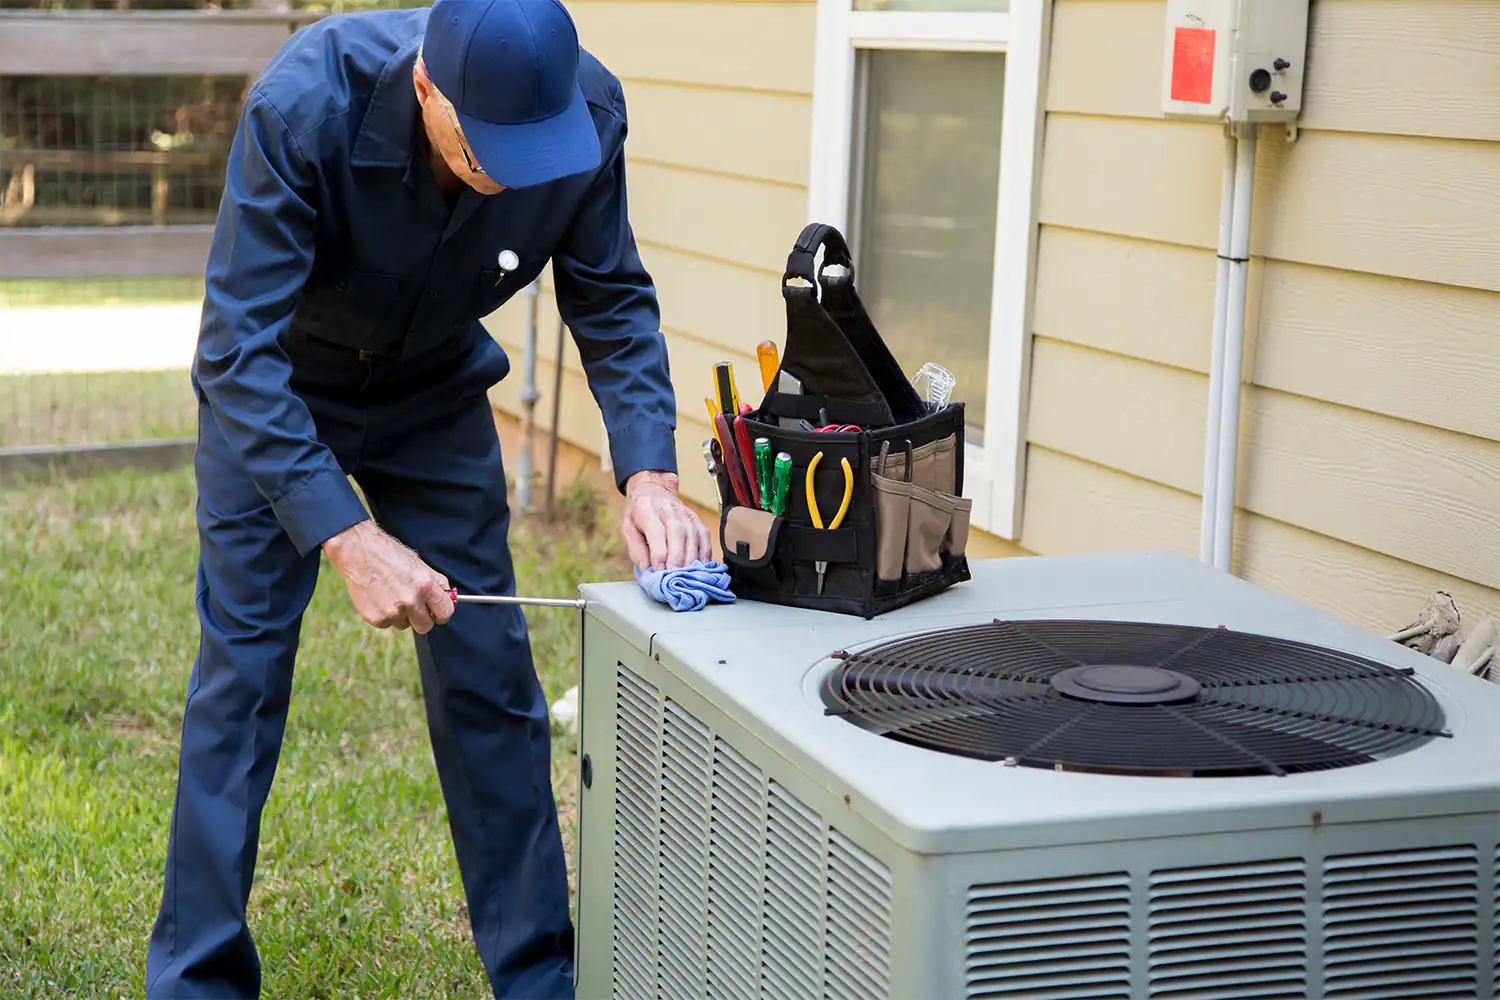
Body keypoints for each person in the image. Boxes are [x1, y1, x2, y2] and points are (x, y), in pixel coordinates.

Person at [144, 0, 710, 996]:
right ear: (423, 87)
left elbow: (609, 294)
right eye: (484, 147)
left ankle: (537, 977)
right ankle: (196, 980)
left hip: (436, 389)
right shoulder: (302, 105)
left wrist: (649, 475)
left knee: (489, 677)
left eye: (528, 147)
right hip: (282, 387)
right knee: (241, 684)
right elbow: (236, 353)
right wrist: (348, 536)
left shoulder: (587, 118)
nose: (505, 172)